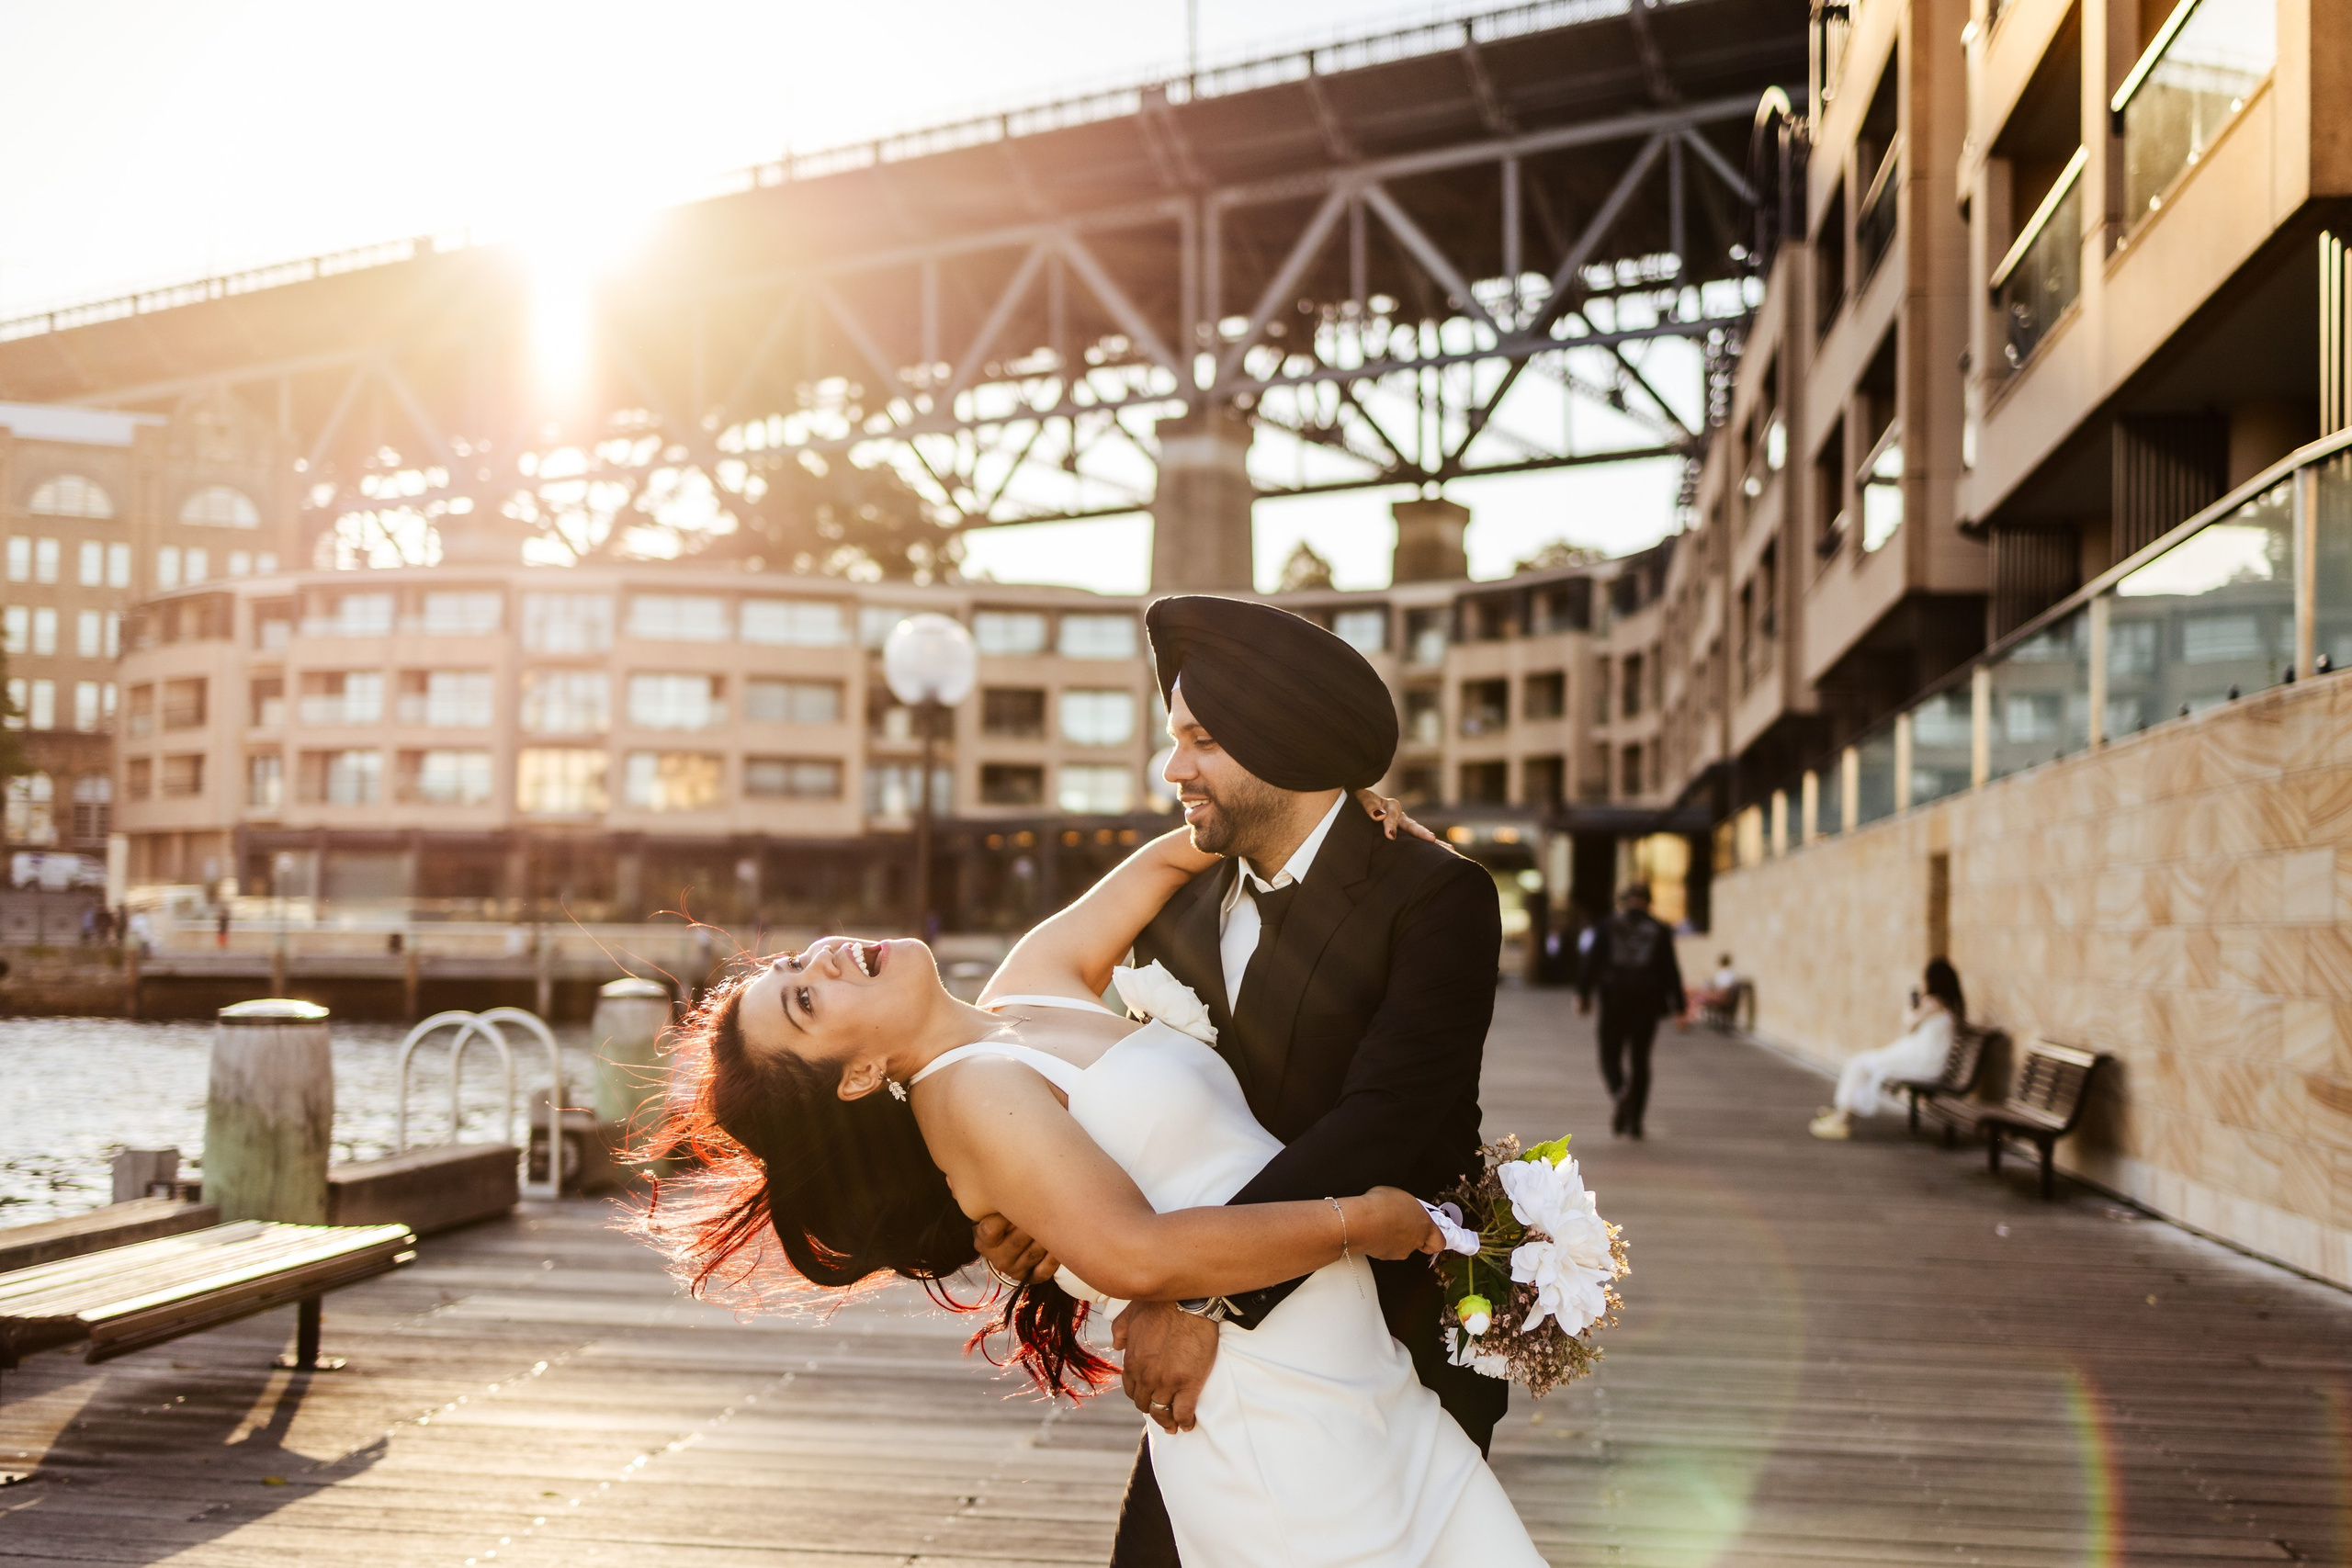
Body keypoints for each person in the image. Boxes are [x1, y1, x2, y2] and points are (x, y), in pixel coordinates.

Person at [639, 596, 1540, 1567]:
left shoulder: (1041, 983)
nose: (816, 960)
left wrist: (1339, 789)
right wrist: (1324, 1233)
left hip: (1376, 1348)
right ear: (856, 1071)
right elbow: (1125, 1236)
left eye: (1197, 740)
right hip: (1249, 1374)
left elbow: (1378, 1108)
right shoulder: (986, 1075)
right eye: (803, 1002)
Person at [1809, 958, 1964, 1139]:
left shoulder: (1933, 1002)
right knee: (1861, 1062)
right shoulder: (1949, 1005)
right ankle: (1843, 1113)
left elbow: (1909, 1023)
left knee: (1859, 1063)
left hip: (1923, 1062)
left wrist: (1910, 1003)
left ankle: (1843, 1119)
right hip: (1926, 1059)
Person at [1576, 883, 1685, 1139]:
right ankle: (1635, 1121)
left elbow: (1592, 961)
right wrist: (1679, 1007)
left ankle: (1619, 1091)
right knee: (1640, 1059)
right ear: (1648, 902)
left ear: (1624, 901)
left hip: (1615, 1000)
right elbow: (1670, 969)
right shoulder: (1660, 929)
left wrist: (1582, 993)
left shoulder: (1607, 925)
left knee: (1609, 1054)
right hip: (1647, 1003)